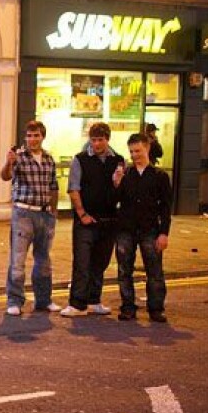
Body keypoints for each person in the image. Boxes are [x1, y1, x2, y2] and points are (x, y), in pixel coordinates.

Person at [61, 122, 126, 317]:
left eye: (101, 140)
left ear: (108, 139)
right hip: (86, 220)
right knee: (82, 263)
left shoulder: (119, 160)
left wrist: (117, 183)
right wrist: (82, 214)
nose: (97, 144)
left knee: (100, 263)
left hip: (109, 220)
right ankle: (77, 303)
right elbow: (74, 189)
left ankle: (94, 300)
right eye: (94, 140)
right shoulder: (80, 160)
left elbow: (122, 192)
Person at [0, 120, 62, 316]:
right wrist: (9, 162)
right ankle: (15, 300)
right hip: (24, 213)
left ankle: (43, 300)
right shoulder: (19, 157)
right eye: (29, 136)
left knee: (44, 261)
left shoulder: (49, 159)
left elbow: (53, 186)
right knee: (18, 260)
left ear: (42, 137)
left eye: (36, 136)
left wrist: (54, 210)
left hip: (44, 213)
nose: (33, 139)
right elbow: (5, 176)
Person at [113, 132, 172, 323]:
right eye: (131, 151)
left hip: (150, 230)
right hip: (126, 229)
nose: (135, 155)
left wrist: (164, 233)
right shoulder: (126, 174)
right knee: (124, 270)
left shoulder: (160, 176)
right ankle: (128, 307)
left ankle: (156, 308)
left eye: (138, 150)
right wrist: (116, 184)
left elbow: (165, 207)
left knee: (154, 271)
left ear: (147, 148)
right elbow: (114, 201)